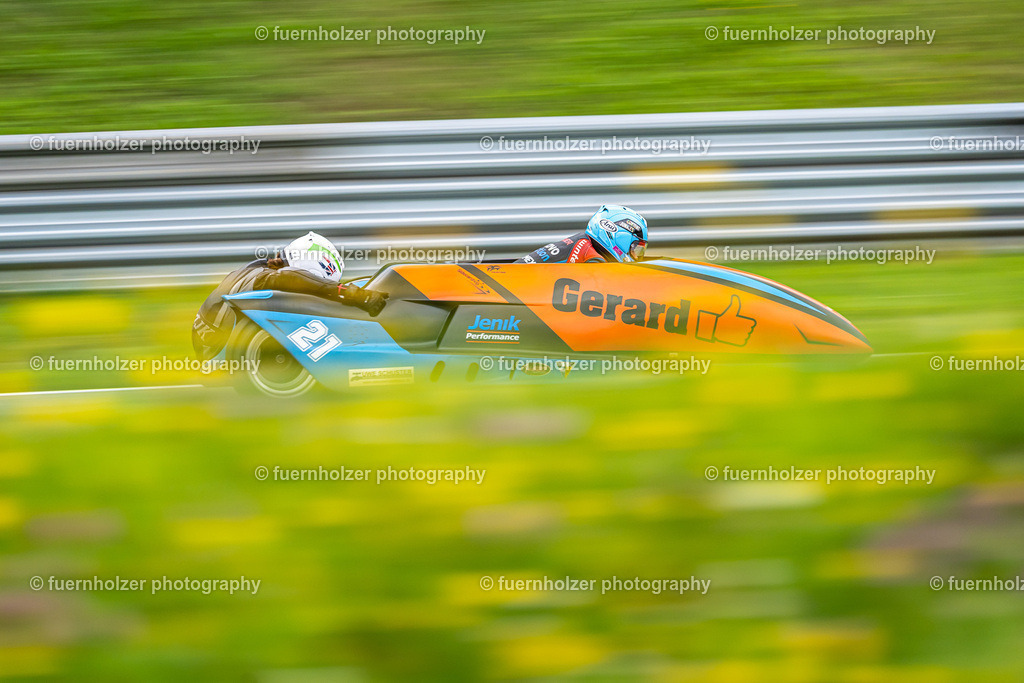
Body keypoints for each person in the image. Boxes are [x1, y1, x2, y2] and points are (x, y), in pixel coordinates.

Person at [191, 231, 387, 361]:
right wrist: (348, 292)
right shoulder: (265, 276)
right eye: (315, 279)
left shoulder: (256, 269)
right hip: (220, 351)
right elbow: (289, 278)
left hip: (215, 345)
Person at [516, 205, 648, 264]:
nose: (637, 255)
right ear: (619, 237)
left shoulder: (583, 242)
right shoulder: (592, 258)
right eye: (636, 248)